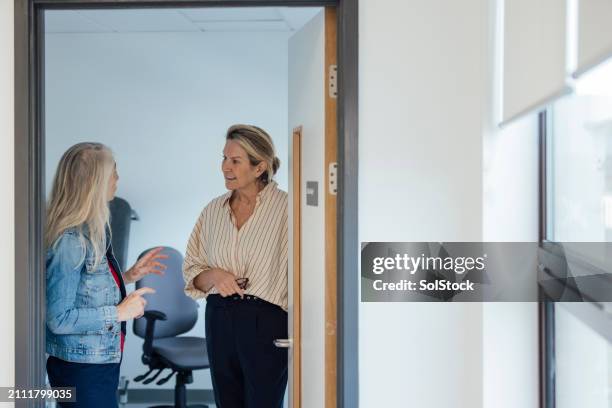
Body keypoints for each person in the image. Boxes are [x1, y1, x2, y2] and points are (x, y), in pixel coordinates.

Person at [45, 142, 167, 408]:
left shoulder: (91, 232)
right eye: (113, 172)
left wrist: (129, 275)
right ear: (95, 182)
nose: (118, 179)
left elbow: (84, 290)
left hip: (96, 363)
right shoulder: (71, 241)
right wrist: (120, 312)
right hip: (82, 370)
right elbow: (58, 319)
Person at [183, 124, 288, 408]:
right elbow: (191, 269)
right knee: (226, 402)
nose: (225, 167)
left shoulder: (289, 210)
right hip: (219, 316)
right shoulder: (213, 210)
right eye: (224, 158)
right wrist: (215, 275)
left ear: (259, 167)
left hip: (267, 320)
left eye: (235, 161)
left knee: (264, 403)